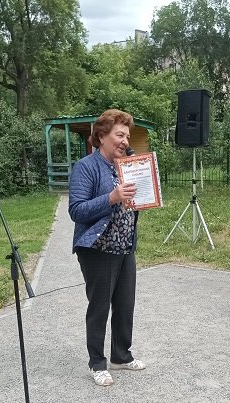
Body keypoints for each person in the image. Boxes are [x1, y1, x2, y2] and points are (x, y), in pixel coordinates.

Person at [68, 109, 146, 386]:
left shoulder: (127, 166)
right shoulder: (86, 167)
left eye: (127, 136)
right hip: (97, 248)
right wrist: (111, 197)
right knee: (100, 307)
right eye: (119, 135)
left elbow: (134, 200)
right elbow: (76, 210)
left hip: (124, 246)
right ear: (101, 136)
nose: (125, 141)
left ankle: (121, 356)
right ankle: (97, 363)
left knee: (125, 304)